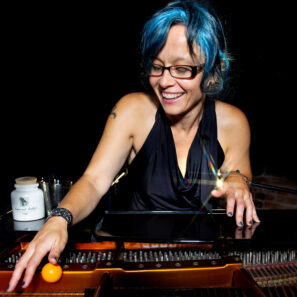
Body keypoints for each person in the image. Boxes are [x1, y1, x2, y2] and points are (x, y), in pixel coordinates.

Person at [7, 0, 260, 292]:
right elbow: (93, 181)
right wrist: (59, 219)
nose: (165, 82)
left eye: (182, 69)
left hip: (200, 265)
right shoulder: (131, 110)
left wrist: (237, 181)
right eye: (157, 67)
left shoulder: (233, 122)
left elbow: (238, 174)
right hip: (135, 262)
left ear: (213, 72)